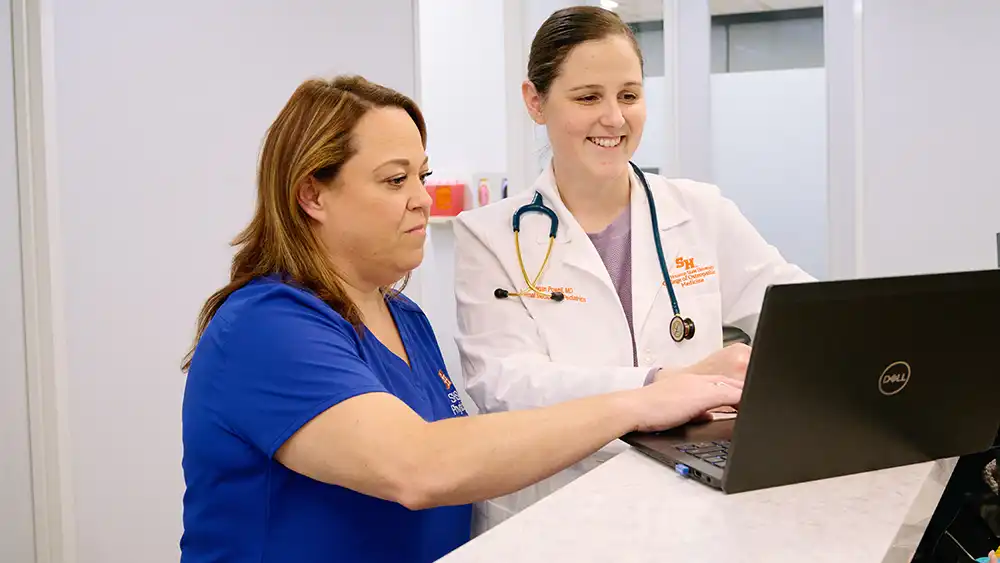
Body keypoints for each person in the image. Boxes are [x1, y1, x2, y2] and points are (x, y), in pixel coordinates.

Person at [178, 75, 742, 563]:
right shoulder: (266, 326)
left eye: (421, 177)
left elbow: (469, 455)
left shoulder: (404, 317)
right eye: (395, 180)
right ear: (313, 195)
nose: (422, 200)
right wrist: (640, 402)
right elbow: (420, 465)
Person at [453, 6, 815, 533]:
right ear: (535, 101)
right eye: (587, 97)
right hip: (555, 511)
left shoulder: (700, 211)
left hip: (689, 500)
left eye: (628, 95)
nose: (614, 118)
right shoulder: (489, 236)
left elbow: (801, 316)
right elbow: (505, 384)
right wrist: (657, 387)